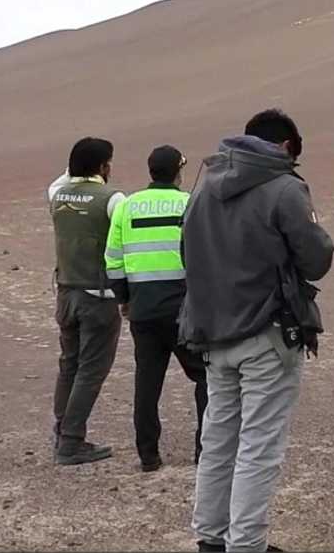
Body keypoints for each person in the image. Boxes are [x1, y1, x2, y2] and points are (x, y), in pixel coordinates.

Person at [180, 109, 334, 553]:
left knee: (218, 438)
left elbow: (185, 251)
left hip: (212, 332)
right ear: (286, 147)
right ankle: (245, 543)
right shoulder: (285, 188)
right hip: (267, 333)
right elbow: (317, 257)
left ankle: (211, 536)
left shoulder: (202, 186)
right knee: (259, 445)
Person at [104, 145, 206, 473]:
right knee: (206, 377)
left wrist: (124, 298)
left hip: (143, 309)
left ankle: (148, 454)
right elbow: (204, 256)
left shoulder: (128, 206)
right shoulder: (190, 203)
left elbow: (113, 259)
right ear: (177, 172)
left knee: (147, 383)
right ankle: (204, 450)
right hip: (184, 309)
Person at [48, 137, 126, 465]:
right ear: (103, 166)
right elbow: (123, 243)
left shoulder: (57, 193)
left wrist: (78, 165)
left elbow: (63, 179)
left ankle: (62, 429)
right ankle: (71, 441)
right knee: (91, 370)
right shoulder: (113, 199)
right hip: (98, 296)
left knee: (69, 364)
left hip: (66, 292)